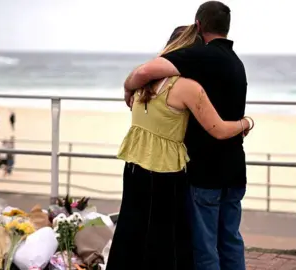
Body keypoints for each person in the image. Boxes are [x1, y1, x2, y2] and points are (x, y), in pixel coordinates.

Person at [106, 25, 253, 270]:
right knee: (166, 239)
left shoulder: (142, 83)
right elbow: (217, 129)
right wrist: (246, 122)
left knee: (132, 231)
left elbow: (139, 80)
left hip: (134, 166)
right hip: (165, 171)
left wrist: (126, 87)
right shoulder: (186, 87)